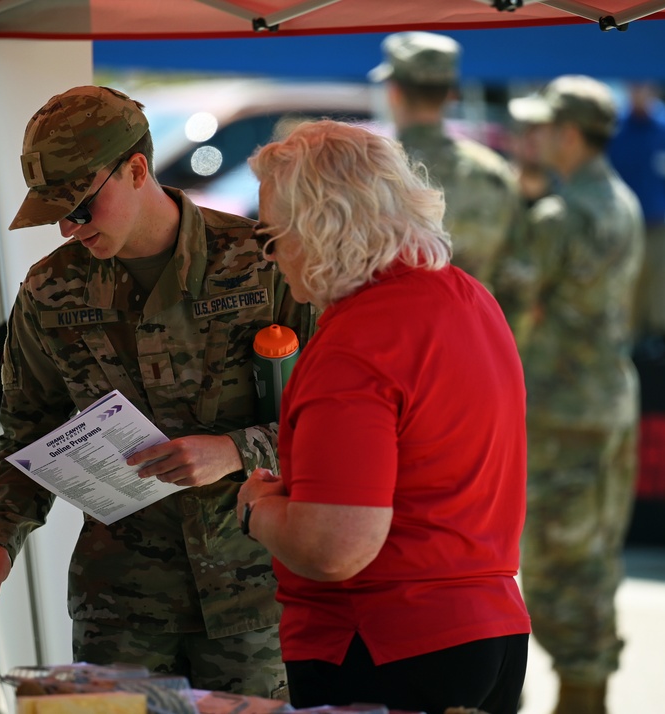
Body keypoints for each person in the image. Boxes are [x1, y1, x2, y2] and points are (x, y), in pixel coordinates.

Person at [0, 85, 316, 697]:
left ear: (137, 168)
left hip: (251, 595)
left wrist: (232, 452)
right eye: (55, 214)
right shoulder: (49, 292)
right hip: (120, 606)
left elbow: (332, 424)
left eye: (81, 207)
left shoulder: (264, 266)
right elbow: (29, 429)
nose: (68, 229)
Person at [237, 119, 531, 714]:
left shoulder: (359, 341)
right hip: (487, 628)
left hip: (385, 642)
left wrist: (258, 511)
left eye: (272, 237)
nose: (271, 257)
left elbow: (334, 546)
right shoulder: (468, 297)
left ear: (319, 227)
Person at [507, 75, 645, 714]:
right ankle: (589, 684)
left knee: (562, 563)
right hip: (608, 398)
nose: (532, 138)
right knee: (594, 553)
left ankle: (582, 695)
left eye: (541, 127)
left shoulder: (563, 216)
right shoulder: (621, 200)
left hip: (564, 410)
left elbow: (517, 305)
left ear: (567, 133)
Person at [369, 31, 525, 291]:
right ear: (452, 94)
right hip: (477, 321)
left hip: (398, 322)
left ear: (394, 92)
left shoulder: (373, 169)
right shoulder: (494, 172)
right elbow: (517, 271)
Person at [608, 82, 665, 340]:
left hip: (660, 230)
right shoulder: (615, 131)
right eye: (634, 86)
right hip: (626, 231)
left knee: (664, 309)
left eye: (644, 86)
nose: (639, 93)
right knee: (628, 311)